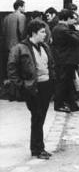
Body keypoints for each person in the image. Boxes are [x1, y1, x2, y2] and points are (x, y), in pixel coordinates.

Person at [7, 20, 55, 159]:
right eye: (42, 32)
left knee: (41, 117)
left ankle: (38, 147)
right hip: (32, 87)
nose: (45, 34)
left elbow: (50, 64)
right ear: (34, 33)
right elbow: (12, 69)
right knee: (37, 116)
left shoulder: (45, 46)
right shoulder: (20, 48)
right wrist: (21, 85)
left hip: (46, 85)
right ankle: (37, 149)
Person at [51, 9, 79, 112]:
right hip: (66, 59)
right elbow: (77, 39)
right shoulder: (63, 29)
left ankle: (72, 104)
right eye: (72, 18)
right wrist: (77, 30)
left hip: (64, 59)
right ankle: (59, 104)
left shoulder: (58, 28)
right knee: (63, 83)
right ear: (67, 18)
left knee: (68, 83)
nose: (74, 20)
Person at [1, 0, 26, 81]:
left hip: (6, 48)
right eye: (24, 6)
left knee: (10, 70)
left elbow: (3, 33)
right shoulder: (21, 16)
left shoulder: (6, 17)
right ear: (19, 7)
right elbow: (21, 32)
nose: (25, 8)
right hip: (17, 47)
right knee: (18, 71)